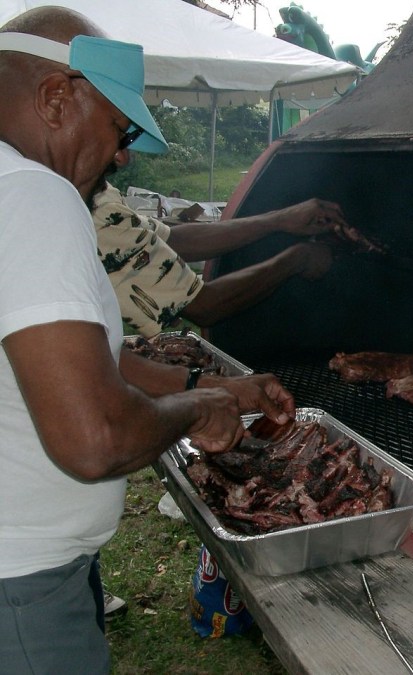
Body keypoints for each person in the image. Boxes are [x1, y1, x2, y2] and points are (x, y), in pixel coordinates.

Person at [0, 8, 297, 672]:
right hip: (20, 592)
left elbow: (83, 362)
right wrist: (199, 410)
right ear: (56, 98)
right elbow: (95, 438)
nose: (124, 155)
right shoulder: (33, 196)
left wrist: (216, 386)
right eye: (121, 127)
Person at [91, 180, 369, 336]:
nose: (123, 156)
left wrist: (279, 220)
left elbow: (171, 240)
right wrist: (297, 259)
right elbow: (202, 306)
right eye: (119, 132)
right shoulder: (88, 208)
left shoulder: (98, 195)